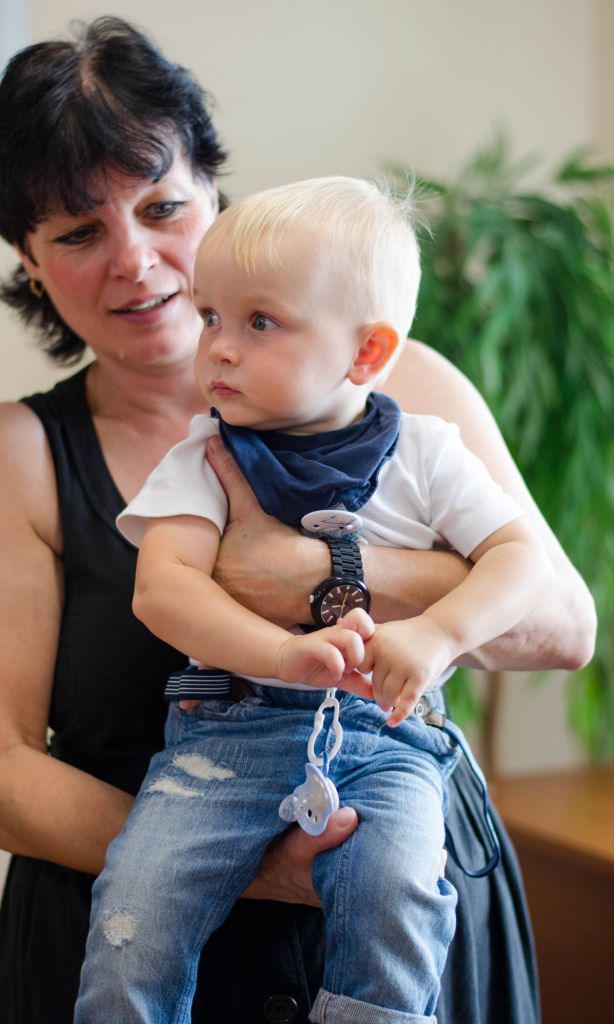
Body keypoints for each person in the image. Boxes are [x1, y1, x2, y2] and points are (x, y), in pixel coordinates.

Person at [0, 16, 594, 1024]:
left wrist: (322, 572)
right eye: (77, 233)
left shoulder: (406, 386)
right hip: (136, 910)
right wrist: (249, 865)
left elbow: (562, 627)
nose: (136, 259)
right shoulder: (12, 454)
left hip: (405, 884)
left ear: (215, 195)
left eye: (163, 206)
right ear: (29, 262)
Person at [73, 177, 552, 1023]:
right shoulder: (206, 454)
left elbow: (521, 562)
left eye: (260, 322)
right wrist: (282, 654)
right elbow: (164, 588)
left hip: (389, 741)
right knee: (134, 914)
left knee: (397, 901)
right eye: (212, 316)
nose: (218, 349)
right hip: (226, 737)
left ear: (366, 353)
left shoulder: (428, 452)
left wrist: (439, 634)